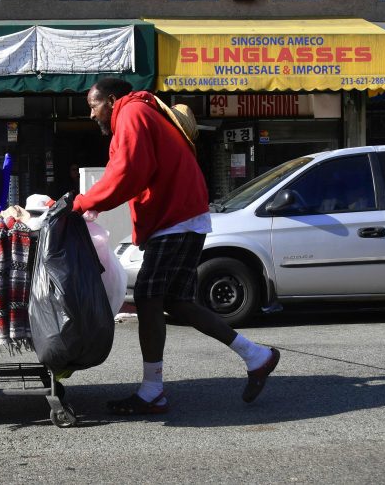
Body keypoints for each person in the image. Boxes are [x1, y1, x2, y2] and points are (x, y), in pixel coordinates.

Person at [73, 77, 280, 415]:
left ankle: (153, 390)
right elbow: (128, 170)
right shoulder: (141, 111)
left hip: (176, 220)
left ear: (111, 100)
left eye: (93, 107)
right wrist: (92, 202)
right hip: (181, 218)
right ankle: (256, 356)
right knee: (176, 301)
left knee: (149, 297)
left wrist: (82, 204)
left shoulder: (132, 112)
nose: (92, 115)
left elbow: (128, 171)